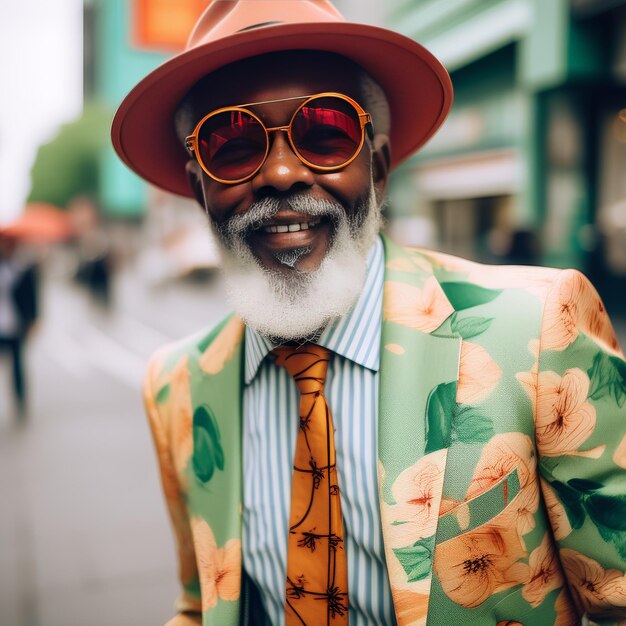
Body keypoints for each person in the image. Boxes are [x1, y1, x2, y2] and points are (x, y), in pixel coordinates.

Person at [112, 2, 626, 625]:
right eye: (234, 144)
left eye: (325, 132)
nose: (278, 173)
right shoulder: (174, 386)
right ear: (199, 190)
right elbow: (202, 606)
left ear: (377, 169)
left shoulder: (542, 328)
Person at [0, 233, 38, 418]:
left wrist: (34, 319)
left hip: (16, 324)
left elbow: (33, 296)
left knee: (17, 367)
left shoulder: (23, 268)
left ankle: (20, 402)